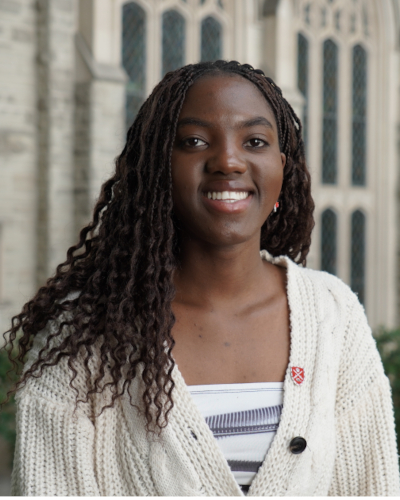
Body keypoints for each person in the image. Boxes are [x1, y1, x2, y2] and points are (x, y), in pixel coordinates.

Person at [5, 60, 399, 496]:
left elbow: (372, 487)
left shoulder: (333, 316)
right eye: (194, 141)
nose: (228, 161)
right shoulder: (84, 336)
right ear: (157, 169)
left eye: (254, 141)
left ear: (281, 168)